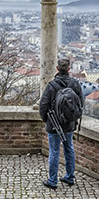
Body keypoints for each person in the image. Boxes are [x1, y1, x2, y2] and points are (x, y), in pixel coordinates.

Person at [38, 56, 84, 189]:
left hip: (54, 124)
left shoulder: (52, 86)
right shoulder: (75, 84)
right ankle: (70, 177)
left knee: (54, 151)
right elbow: (80, 104)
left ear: (57, 69)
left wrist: (46, 120)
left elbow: (43, 106)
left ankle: (53, 180)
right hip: (69, 124)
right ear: (69, 69)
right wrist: (73, 119)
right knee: (69, 149)